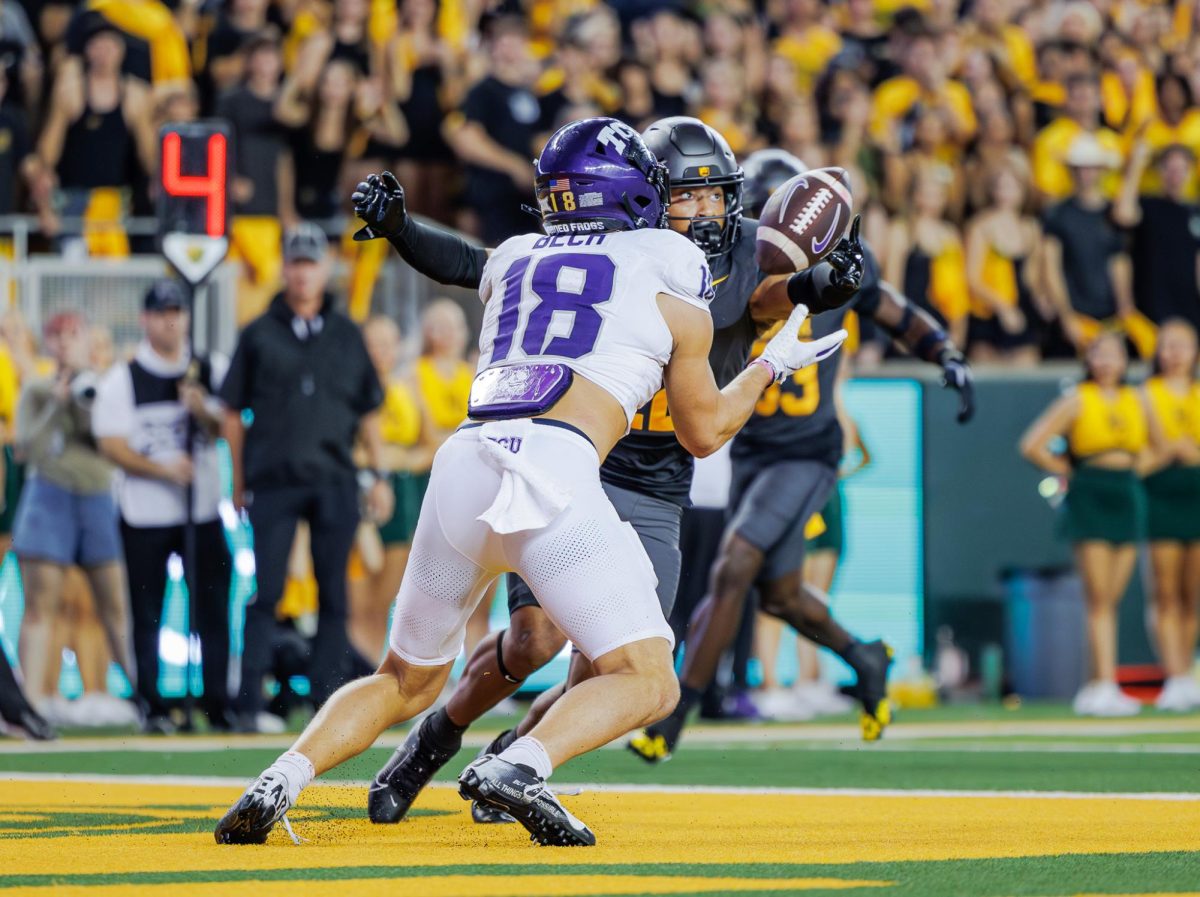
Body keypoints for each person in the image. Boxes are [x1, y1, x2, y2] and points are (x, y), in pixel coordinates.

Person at [214, 116, 853, 848]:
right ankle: (519, 763)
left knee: (402, 677)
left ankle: (283, 776)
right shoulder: (669, 264)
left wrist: (399, 228)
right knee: (650, 678)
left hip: (464, 465)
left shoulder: (520, 254)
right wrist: (775, 364)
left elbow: (461, 260)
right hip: (558, 474)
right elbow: (704, 429)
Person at [629, 152, 977, 763]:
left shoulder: (840, 270)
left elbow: (896, 313)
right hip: (753, 447)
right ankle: (866, 657)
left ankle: (676, 715)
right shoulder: (726, 267)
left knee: (734, 566)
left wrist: (944, 350)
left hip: (808, 452)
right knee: (781, 594)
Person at [219, 224, 393, 733]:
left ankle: (326, 708)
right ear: (285, 268)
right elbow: (232, 413)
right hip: (273, 479)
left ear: (324, 269)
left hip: (335, 476)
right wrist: (236, 480)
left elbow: (369, 410)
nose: (302, 272)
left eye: (310, 262)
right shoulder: (257, 333)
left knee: (333, 593)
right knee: (266, 591)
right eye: (295, 262)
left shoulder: (346, 332)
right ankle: (248, 704)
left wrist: (377, 473)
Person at [92, 279, 233, 733]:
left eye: (176, 312)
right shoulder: (124, 377)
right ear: (145, 319)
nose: (170, 321)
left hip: (202, 509)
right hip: (146, 513)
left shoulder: (210, 367)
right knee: (146, 609)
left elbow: (227, 426)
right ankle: (151, 704)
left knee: (213, 605)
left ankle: (217, 700)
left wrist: (203, 412)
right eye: (160, 313)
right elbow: (110, 443)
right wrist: (162, 469)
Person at [12, 311, 136, 723]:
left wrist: (88, 399)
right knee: (40, 605)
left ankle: (143, 697)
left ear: (85, 339)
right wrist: (56, 402)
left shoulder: (106, 386)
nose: (64, 342)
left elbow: (113, 442)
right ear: (48, 344)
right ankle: (29, 704)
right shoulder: (35, 388)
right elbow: (24, 446)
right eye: (56, 336)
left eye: (72, 335)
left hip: (97, 494)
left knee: (114, 604)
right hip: (49, 492)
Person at [1020, 331, 1149, 717]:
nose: (1106, 362)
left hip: (1126, 493)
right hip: (1090, 490)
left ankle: (1099, 683)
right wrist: (1068, 471)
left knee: (1113, 596)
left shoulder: (1138, 399)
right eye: (1099, 354)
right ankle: (1103, 684)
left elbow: (1153, 447)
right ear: (1089, 361)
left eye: (1113, 354)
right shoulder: (1077, 399)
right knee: (1097, 598)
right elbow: (1032, 444)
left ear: (1126, 361)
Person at [348, 315, 433, 664]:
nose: (380, 352)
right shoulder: (349, 389)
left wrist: (400, 459)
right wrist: (376, 457)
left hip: (402, 493)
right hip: (359, 492)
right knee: (357, 599)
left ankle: (372, 670)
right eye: (373, 343)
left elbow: (431, 446)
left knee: (385, 599)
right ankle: (353, 675)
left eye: (387, 344)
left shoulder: (407, 389)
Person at [1141, 319, 1200, 711]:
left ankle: (1187, 672)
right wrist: (1170, 451)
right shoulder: (1144, 393)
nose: (1174, 354)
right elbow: (1144, 452)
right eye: (1167, 346)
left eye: (1182, 345)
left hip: (1195, 492)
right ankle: (1175, 675)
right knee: (1164, 593)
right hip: (1160, 494)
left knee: (1193, 595)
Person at [964, 166, 1046, 365]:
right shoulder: (980, 226)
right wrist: (1003, 308)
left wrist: (1042, 297)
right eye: (1001, 186)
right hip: (988, 313)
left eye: (1012, 187)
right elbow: (972, 278)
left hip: (1021, 309)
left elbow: (1031, 276)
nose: (1007, 192)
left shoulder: (1031, 228)